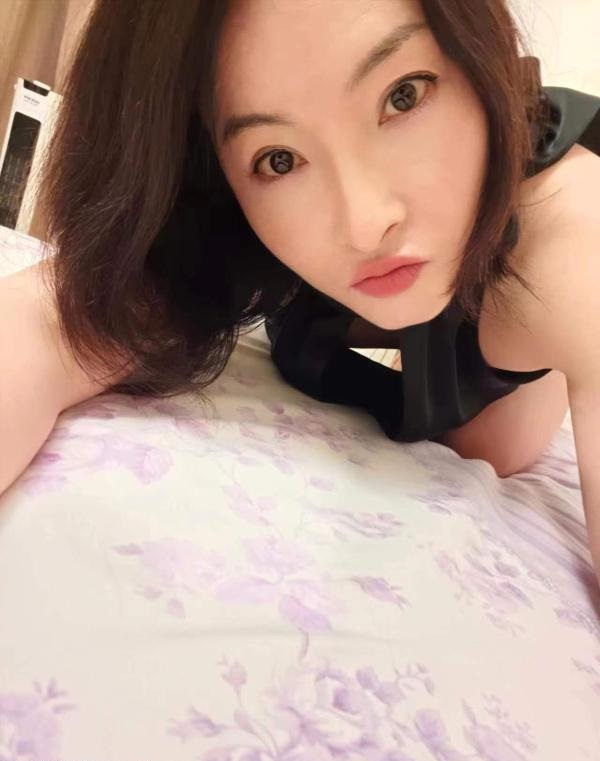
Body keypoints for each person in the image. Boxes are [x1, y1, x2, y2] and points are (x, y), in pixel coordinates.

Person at [0, 0, 599, 582]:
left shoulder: (575, 241)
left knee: (494, 447)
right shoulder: (234, 225)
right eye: (280, 160)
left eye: (403, 95)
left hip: (521, 271)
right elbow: (48, 321)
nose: (365, 224)